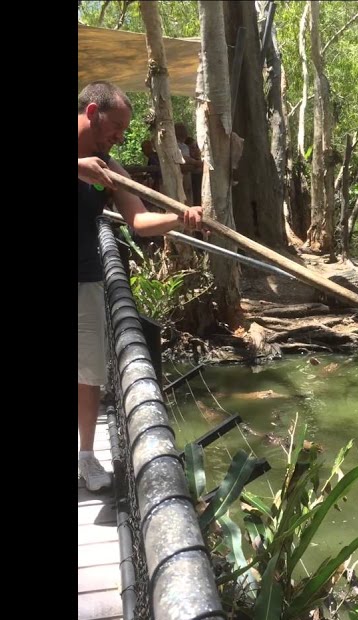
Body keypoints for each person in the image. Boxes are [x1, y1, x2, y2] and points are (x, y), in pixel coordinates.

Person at [78, 81, 204, 492]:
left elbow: (138, 221)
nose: (120, 136)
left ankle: (85, 457)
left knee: (89, 371)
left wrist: (179, 217)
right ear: (93, 113)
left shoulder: (111, 167)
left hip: (86, 275)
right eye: (116, 126)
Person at [174, 122, 203, 205]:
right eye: (181, 130)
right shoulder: (175, 146)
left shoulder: (184, 146)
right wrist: (196, 163)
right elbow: (182, 160)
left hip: (187, 179)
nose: (184, 132)